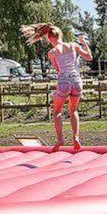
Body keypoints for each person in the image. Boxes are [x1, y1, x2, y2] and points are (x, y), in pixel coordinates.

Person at [21, 23, 93, 151]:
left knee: (57, 111)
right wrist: (84, 43)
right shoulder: (73, 45)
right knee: (73, 110)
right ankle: (76, 137)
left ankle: (60, 139)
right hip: (77, 80)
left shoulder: (52, 52)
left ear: (49, 38)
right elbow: (89, 57)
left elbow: (59, 69)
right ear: (61, 35)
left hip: (64, 81)